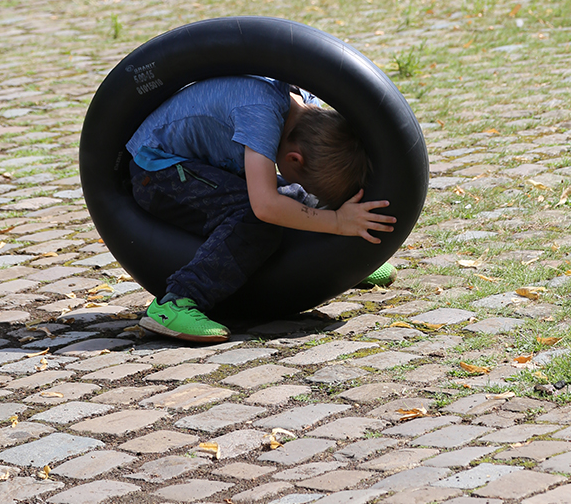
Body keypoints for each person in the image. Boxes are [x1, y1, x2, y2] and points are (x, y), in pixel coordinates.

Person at [127, 75, 396, 342]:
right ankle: (176, 301)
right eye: (301, 177)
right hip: (158, 171)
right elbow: (265, 206)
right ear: (295, 159)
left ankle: (337, 262)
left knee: (296, 198)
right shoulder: (262, 116)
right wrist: (336, 221)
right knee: (257, 221)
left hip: (206, 165)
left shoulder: (304, 106)